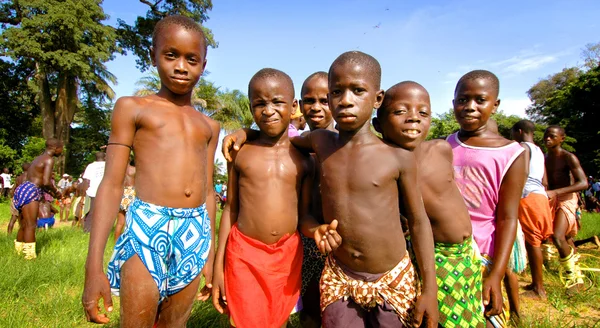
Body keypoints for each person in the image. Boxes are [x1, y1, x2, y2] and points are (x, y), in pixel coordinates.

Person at [223, 51, 439, 328]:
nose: (346, 100)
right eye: (337, 91)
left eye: (358, 90)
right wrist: (245, 133)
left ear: (377, 99)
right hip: (340, 276)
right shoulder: (321, 142)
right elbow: (277, 138)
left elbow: (419, 222)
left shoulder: (398, 157)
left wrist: (429, 289)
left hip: (392, 276)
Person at [82, 15, 219, 327]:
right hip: (147, 225)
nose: (182, 66)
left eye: (192, 59)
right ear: (152, 55)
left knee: (176, 324)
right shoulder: (132, 108)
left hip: (195, 232)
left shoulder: (209, 125)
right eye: (171, 55)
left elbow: (209, 191)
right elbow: (112, 185)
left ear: (203, 63)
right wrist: (93, 268)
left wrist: (209, 256)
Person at [372, 81, 485, 328]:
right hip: (434, 257)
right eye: (401, 111)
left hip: (466, 252)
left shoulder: (441, 149)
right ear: (378, 125)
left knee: (473, 310)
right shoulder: (385, 166)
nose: (414, 118)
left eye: (423, 113)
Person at [211, 68, 314, 328]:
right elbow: (230, 209)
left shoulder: (303, 159)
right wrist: (218, 265)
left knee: (276, 320)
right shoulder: (241, 153)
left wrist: (317, 230)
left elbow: (302, 218)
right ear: (250, 107)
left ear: (293, 107)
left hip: (287, 256)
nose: (268, 111)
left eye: (277, 102)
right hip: (243, 253)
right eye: (259, 103)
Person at [448, 70, 527, 327]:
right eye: (462, 99)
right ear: (453, 102)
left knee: (485, 314)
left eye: (480, 100)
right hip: (445, 250)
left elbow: (507, 217)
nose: (470, 107)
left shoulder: (512, 153)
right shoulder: (443, 145)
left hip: (482, 252)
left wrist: (496, 273)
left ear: (495, 105)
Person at [297, 71, 336, 327]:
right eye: (309, 101)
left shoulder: (345, 145)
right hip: (305, 242)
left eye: (325, 100)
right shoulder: (294, 148)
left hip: (339, 243)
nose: (317, 108)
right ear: (300, 106)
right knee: (309, 309)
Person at [510, 119, 553, 299]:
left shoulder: (523, 148)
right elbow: (544, 181)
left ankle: (539, 289)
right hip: (540, 195)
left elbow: (523, 172)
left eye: (512, 133)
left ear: (519, 131)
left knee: (532, 241)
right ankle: (536, 283)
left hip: (527, 195)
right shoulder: (539, 151)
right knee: (535, 239)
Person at [544, 125, 589, 290]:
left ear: (561, 139)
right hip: (552, 197)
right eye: (546, 136)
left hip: (567, 197)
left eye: (552, 136)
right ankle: (577, 271)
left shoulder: (568, 157)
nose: (548, 139)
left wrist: (556, 192)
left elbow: (583, 183)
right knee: (566, 237)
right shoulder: (544, 158)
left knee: (558, 236)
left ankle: (573, 279)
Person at [12, 139, 63, 259]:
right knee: (31, 224)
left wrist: (51, 193)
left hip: (24, 188)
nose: (62, 150)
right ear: (56, 148)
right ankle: (30, 257)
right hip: (31, 190)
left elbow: (39, 181)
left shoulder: (38, 158)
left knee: (24, 223)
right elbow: (46, 181)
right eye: (61, 148)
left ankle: (18, 252)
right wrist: (56, 192)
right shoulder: (49, 160)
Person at [82, 152, 106, 232]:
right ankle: (102, 230)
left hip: (93, 192)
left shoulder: (90, 166)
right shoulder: (108, 165)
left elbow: (86, 180)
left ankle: (87, 229)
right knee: (104, 212)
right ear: (105, 157)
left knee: (91, 211)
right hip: (106, 192)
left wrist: (84, 193)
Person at [114, 160, 135, 241]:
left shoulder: (120, 170)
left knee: (120, 222)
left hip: (122, 192)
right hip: (132, 193)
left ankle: (116, 243)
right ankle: (128, 242)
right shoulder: (134, 169)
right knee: (131, 221)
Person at [7, 162, 30, 234]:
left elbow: (13, 190)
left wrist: (12, 198)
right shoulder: (30, 178)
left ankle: (9, 234)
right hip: (26, 200)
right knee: (27, 219)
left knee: (13, 218)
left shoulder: (18, 178)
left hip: (16, 199)